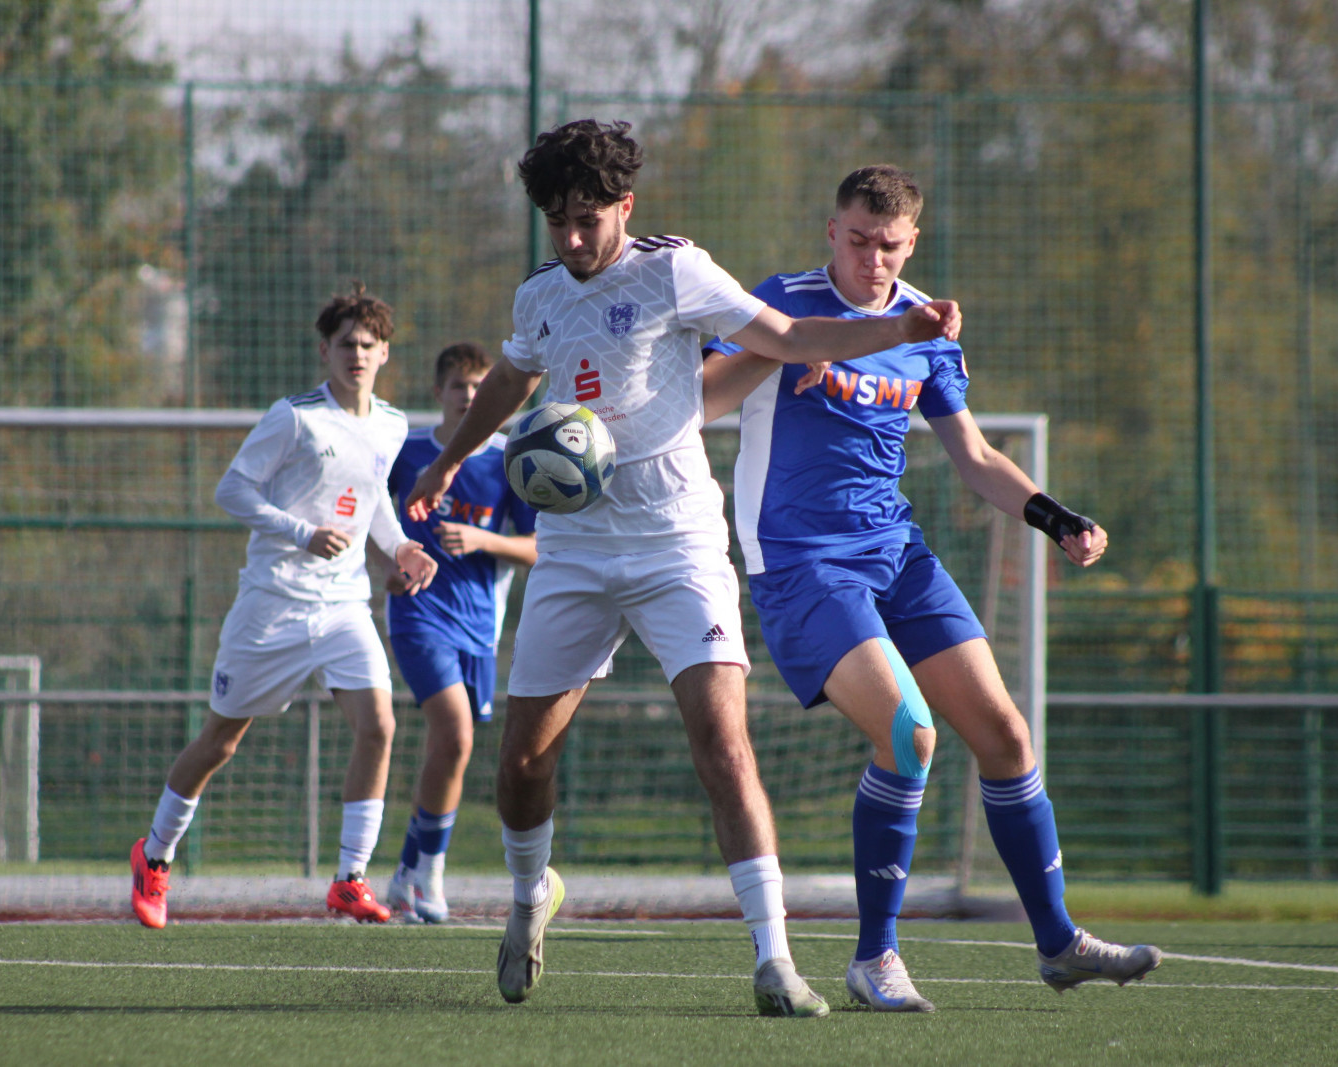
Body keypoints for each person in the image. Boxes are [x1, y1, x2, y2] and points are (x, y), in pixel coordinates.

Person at [404, 120, 961, 1016]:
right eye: (558, 222)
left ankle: (775, 960)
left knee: (723, 743)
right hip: (576, 548)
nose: (575, 239)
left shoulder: (676, 270)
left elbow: (785, 335)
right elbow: (512, 381)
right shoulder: (541, 296)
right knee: (520, 764)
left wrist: (900, 325)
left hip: (678, 544)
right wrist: (443, 462)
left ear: (626, 206)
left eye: (589, 218)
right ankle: (527, 896)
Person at [701, 164, 1161, 1012]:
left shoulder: (925, 327)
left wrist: (1057, 518)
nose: (874, 258)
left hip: (896, 551)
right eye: (860, 240)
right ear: (831, 232)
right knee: (911, 734)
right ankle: (875, 957)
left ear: (913, 242)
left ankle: (1058, 942)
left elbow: (977, 459)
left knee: (1006, 735)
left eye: (892, 245)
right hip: (801, 559)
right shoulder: (779, 303)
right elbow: (702, 400)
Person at [130, 284, 438, 929]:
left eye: (368, 345)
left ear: (385, 354)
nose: (357, 354)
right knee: (221, 741)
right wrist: (301, 532)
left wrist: (403, 546)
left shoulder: (392, 423)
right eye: (345, 344)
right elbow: (232, 490)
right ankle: (155, 857)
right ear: (325, 351)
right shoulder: (294, 417)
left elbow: (375, 494)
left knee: (379, 726)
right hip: (272, 603)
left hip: (343, 606)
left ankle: (350, 879)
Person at [380, 342, 539, 923]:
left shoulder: (507, 460)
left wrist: (482, 540)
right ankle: (430, 878)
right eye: (458, 387)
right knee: (455, 735)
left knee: (452, 750)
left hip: (479, 627)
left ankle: (404, 873)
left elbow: (538, 548)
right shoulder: (408, 453)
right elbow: (374, 517)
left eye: (478, 387)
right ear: (438, 392)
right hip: (418, 614)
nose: (468, 397)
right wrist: (387, 568)